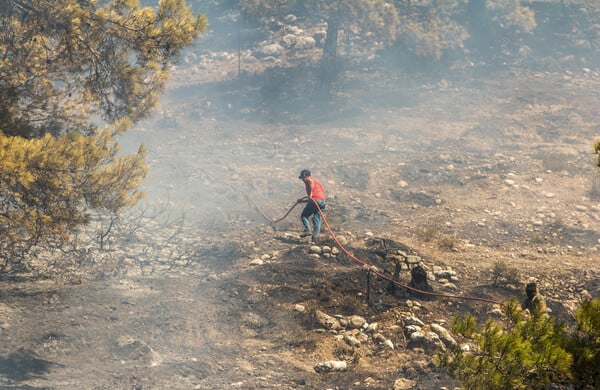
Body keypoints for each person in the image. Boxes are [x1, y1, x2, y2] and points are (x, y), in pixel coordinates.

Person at [297, 169, 326, 243]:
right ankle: (315, 238)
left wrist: (310, 194)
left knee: (304, 216)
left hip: (315, 200)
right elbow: (312, 199)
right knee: (317, 220)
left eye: (302, 178)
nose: (302, 180)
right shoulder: (316, 182)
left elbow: (310, 182)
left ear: (304, 175)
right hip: (322, 201)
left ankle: (308, 230)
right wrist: (302, 201)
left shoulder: (309, 179)